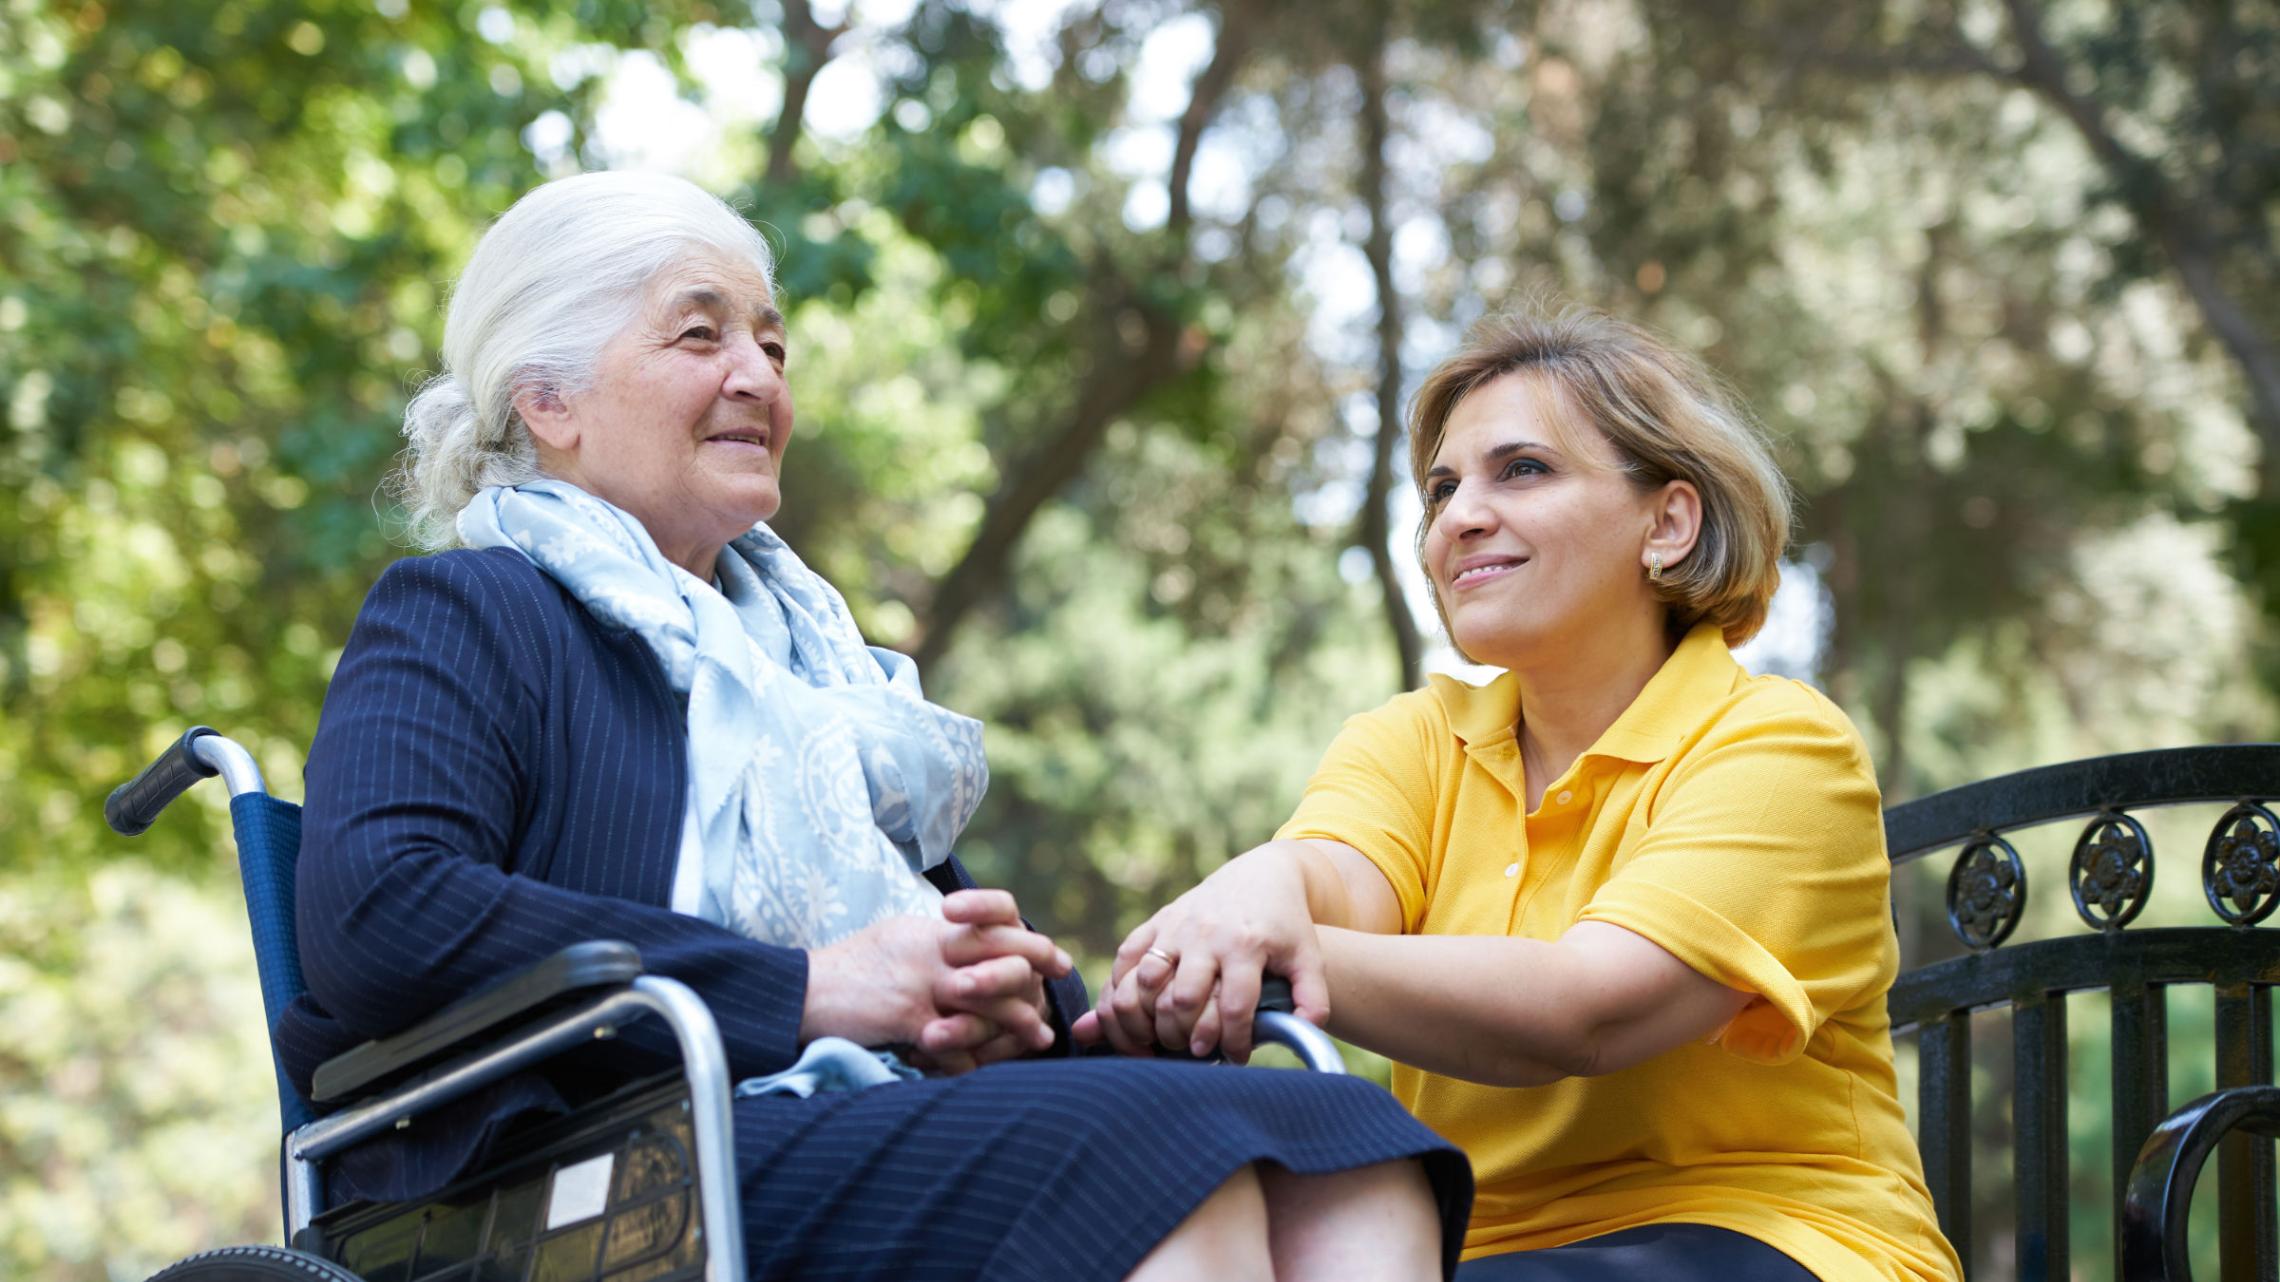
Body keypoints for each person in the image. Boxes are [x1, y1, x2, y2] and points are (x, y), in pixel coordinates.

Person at [271, 170, 1471, 1282]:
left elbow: (913, 975)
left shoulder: (812, 672)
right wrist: (808, 988)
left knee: (1349, 1139)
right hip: (569, 1169)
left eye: (771, 343)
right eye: (701, 334)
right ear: (548, 400)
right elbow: (380, 910)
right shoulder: (470, 610)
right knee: (1156, 1164)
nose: (760, 376)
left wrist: (1039, 1019)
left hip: (845, 1120)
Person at [1077, 305, 1963, 1282]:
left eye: (1523, 470)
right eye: (1442, 488)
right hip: (1453, 1250)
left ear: (1667, 521)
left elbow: (1585, 1011)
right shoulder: (1415, 738)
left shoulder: (1781, 747)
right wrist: (1250, 892)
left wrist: (1278, 942)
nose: (1459, 516)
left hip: (1775, 1234)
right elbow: (1329, 878)